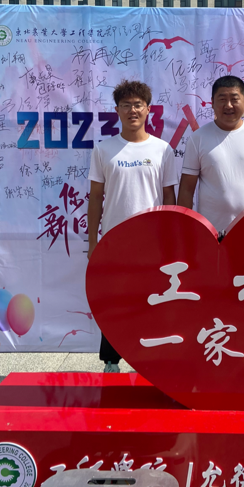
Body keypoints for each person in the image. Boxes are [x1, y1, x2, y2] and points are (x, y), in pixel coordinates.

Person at [87, 80, 178, 373]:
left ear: (148, 110)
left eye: (138, 105)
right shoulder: (104, 150)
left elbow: (169, 197)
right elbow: (96, 197)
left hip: (153, 244)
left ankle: (153, 361)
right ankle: (111, 361)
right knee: (116, 303)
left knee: (154, 302)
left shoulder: (163, 150)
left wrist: (170, 240)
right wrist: (93, 242)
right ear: (117, 111)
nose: (132, 110)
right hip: (115, 243)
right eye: (126, 105)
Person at [177, 76, 244, 233]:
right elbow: (186, 189)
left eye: (234, 99)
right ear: (212, 103)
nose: (229, 105)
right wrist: (185, 227)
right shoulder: (198, 138)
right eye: (222, 99)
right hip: (211, 230)